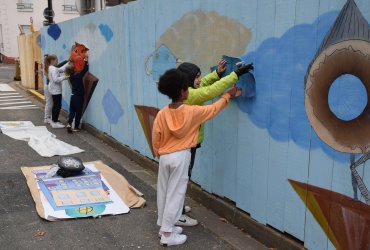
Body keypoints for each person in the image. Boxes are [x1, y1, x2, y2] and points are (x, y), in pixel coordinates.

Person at [152, 68, 238, 246]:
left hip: (165, 157)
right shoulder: (192, 112)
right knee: (176, 193)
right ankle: (168, 235)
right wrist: (227, 96)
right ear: (183, 92)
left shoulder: (162, 113)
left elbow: (156, 137)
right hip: (181, 156)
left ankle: (164, 227)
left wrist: (159, 154)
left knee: (164, 192)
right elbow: (213, 109)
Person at [176, 60, 253, 226]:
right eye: (196, 77)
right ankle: (177, 215)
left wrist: (217, 73)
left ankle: (178, 208)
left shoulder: (186, 90)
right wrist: (236, 75)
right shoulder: (190, 95)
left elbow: (204, 84)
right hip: (186, 145)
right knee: (182, 179)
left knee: (183, 178)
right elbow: (211, 91)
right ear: (188, 79)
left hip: (187, 143)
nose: (199, 79)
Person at [65, 59, 89, 133]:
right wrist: (85, 60)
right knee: (78, 112)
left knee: (72, 111)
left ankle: (69, 123)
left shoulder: (71, 77)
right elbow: (85, 69)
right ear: (75, 69)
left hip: (73, 97)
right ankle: (76, 127)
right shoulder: (78, 76)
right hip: (79, 97)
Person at [43, 55, 69, 124]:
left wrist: (68, 62)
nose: (57, 61)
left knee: (54, 104)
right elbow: (55, 79)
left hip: (52, 88)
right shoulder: (52, 69)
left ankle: (53, 118)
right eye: (56, 60)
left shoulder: (51, 68)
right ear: (52, 61)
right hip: (53, 89)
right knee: (53, 104)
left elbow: (61, 69)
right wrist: (64, 77)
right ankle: (49, 118)